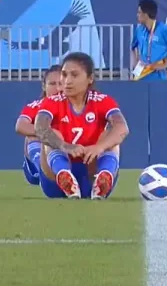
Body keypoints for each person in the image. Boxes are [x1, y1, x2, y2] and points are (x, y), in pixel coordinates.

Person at [32, 52, 130, 200]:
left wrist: (99, 147)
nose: (67, 81)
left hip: (90, 171)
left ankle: (103, 178)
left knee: (109, 136)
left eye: (74, 75)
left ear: (90, 79)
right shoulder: (52, 102)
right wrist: (64, 146)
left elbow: (122, 128)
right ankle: (64, 176)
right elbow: (40, 128)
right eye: (64, 75)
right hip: (54, 181)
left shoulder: (102, 100)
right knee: (52, 134)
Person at [14, 65, 62, 186]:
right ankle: (41, 169)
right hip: (39, 163)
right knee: (32, 135)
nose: (57, 88)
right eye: (52, 84)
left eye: (61, 83)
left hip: (67, 156)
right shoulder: (37, 106)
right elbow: (20, 126)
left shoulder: (77, 107)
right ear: (44, 86)